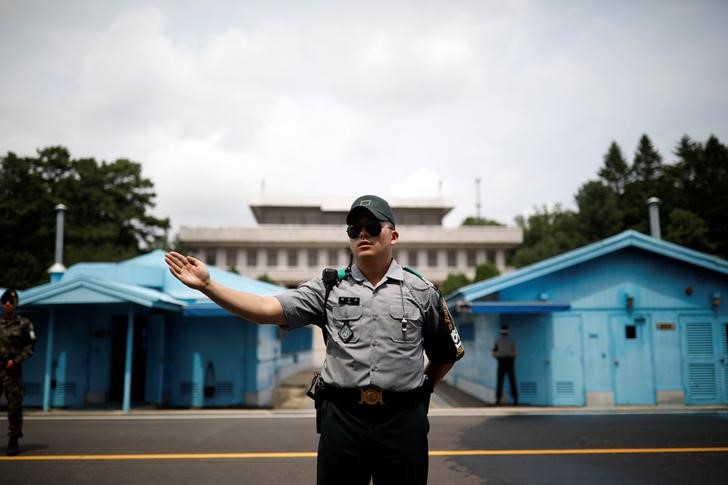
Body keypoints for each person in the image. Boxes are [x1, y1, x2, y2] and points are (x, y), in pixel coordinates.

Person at [165, 194, 464, 485]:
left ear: (393, 236)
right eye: (354, 229)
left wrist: (420, 391)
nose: (363, 234)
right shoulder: (328, 287)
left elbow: (446, 353)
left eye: (373, 227)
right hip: (343, 420)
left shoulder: (422, 291)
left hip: (403, 422)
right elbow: (265, 309)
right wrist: (208, 285)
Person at [0, 288, 36, 456]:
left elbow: (30, 348)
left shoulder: (24, 324)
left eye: (11, 301)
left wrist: (15, 361)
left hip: (12, 372)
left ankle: (13, 440)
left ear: (16, 303)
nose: (7, 304)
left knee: (14, 408)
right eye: (5, 301)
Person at [491, 325, 518, 405]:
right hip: (510, 361)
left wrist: (498, 357)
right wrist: (511, 358)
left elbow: (493, 353)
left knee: (500, 381)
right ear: (508, 331)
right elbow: (516, 353)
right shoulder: (511, 341)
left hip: (501, 362)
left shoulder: (497, 341)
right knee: (512, 381)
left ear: (501, 331)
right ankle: (515, 399)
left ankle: (498, 399)